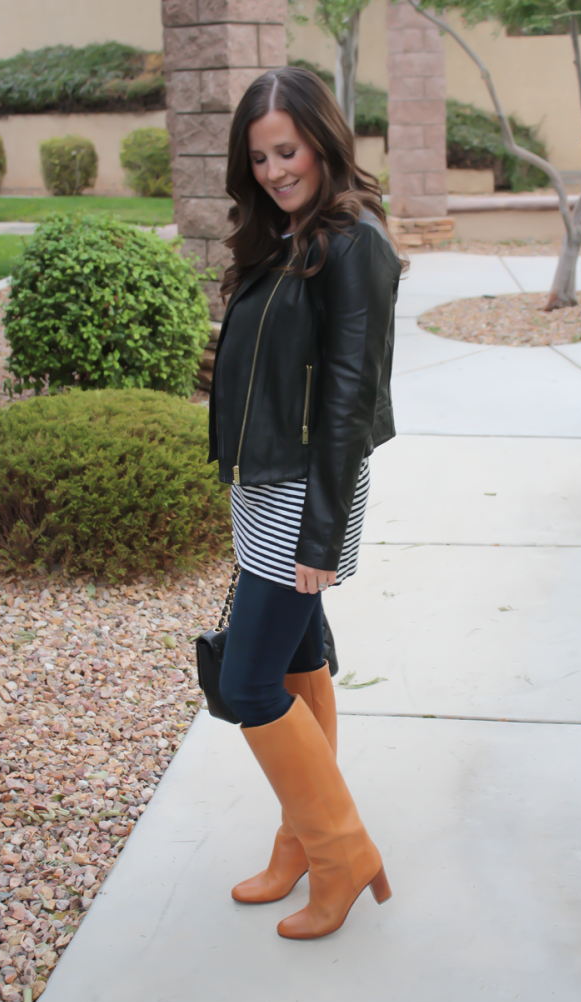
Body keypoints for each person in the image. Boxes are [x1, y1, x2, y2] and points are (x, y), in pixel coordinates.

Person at [208, 65, 402, 940]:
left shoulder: (353, 242)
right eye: (258, 157)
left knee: (247, 684)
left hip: (305, 497)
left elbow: (350, 396)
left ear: (322, 139)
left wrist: (321, 536)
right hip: (264, 488)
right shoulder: (286, 235)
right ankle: (300, 844)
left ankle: (341, 853)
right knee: (297, 658)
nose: (275, 169)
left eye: (286, 150)